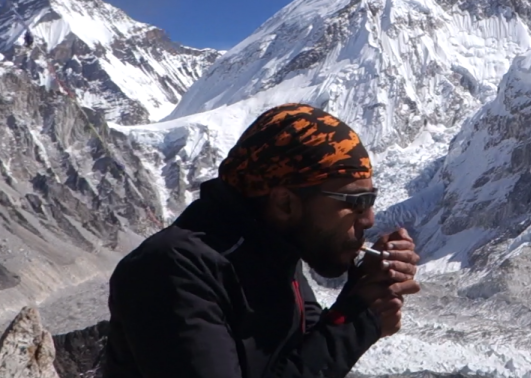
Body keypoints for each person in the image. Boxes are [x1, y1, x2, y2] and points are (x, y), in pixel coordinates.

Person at [103, 103, 419, 377]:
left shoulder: (275, 253)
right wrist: (356, 321)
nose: (369, 219)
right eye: (356, 201)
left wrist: (361, 295)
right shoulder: (171, 270)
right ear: (284, 203)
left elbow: (300, 360)